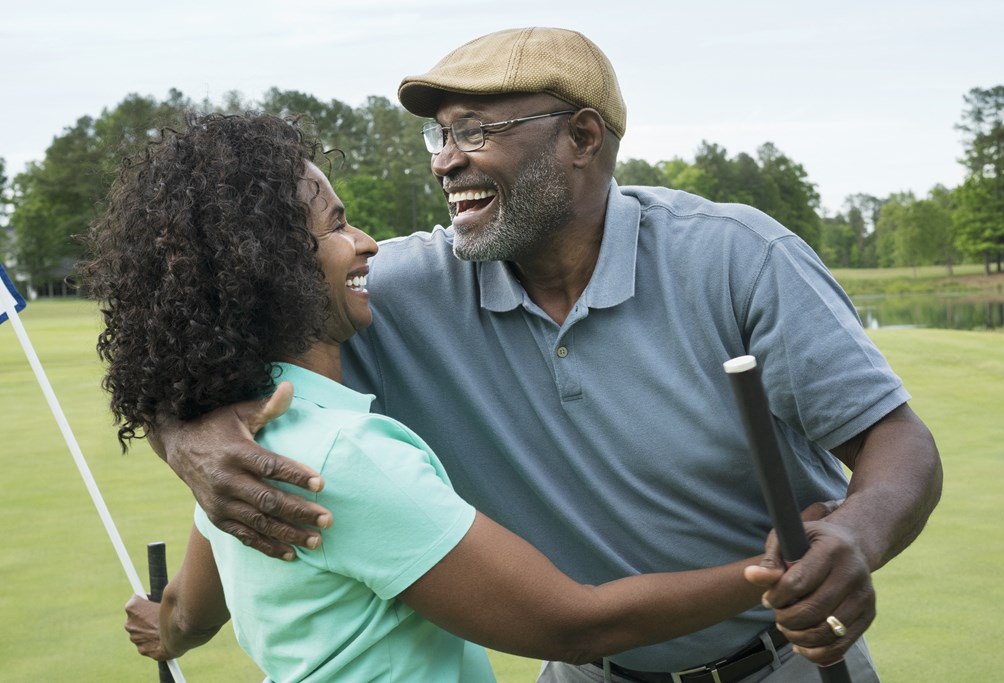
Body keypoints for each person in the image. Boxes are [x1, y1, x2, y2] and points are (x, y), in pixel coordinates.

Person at [153, 28, 942, 683]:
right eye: (441, 134)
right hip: (584, 670)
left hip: (783, 663)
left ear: (582, 137)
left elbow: (895, 441)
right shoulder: (394, 288)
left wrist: (854, 535)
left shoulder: (737, 256)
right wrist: (187, 434)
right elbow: (210, 326)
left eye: (475, 132)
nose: (444, 160)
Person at [86, 111, 827, 683]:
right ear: (274, 267)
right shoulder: (343, 458)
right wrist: (779, 570)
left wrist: (165, 626)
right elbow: (575, 625)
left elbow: (189, 607)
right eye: (340, 225)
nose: (369, 243)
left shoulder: (240, 448)